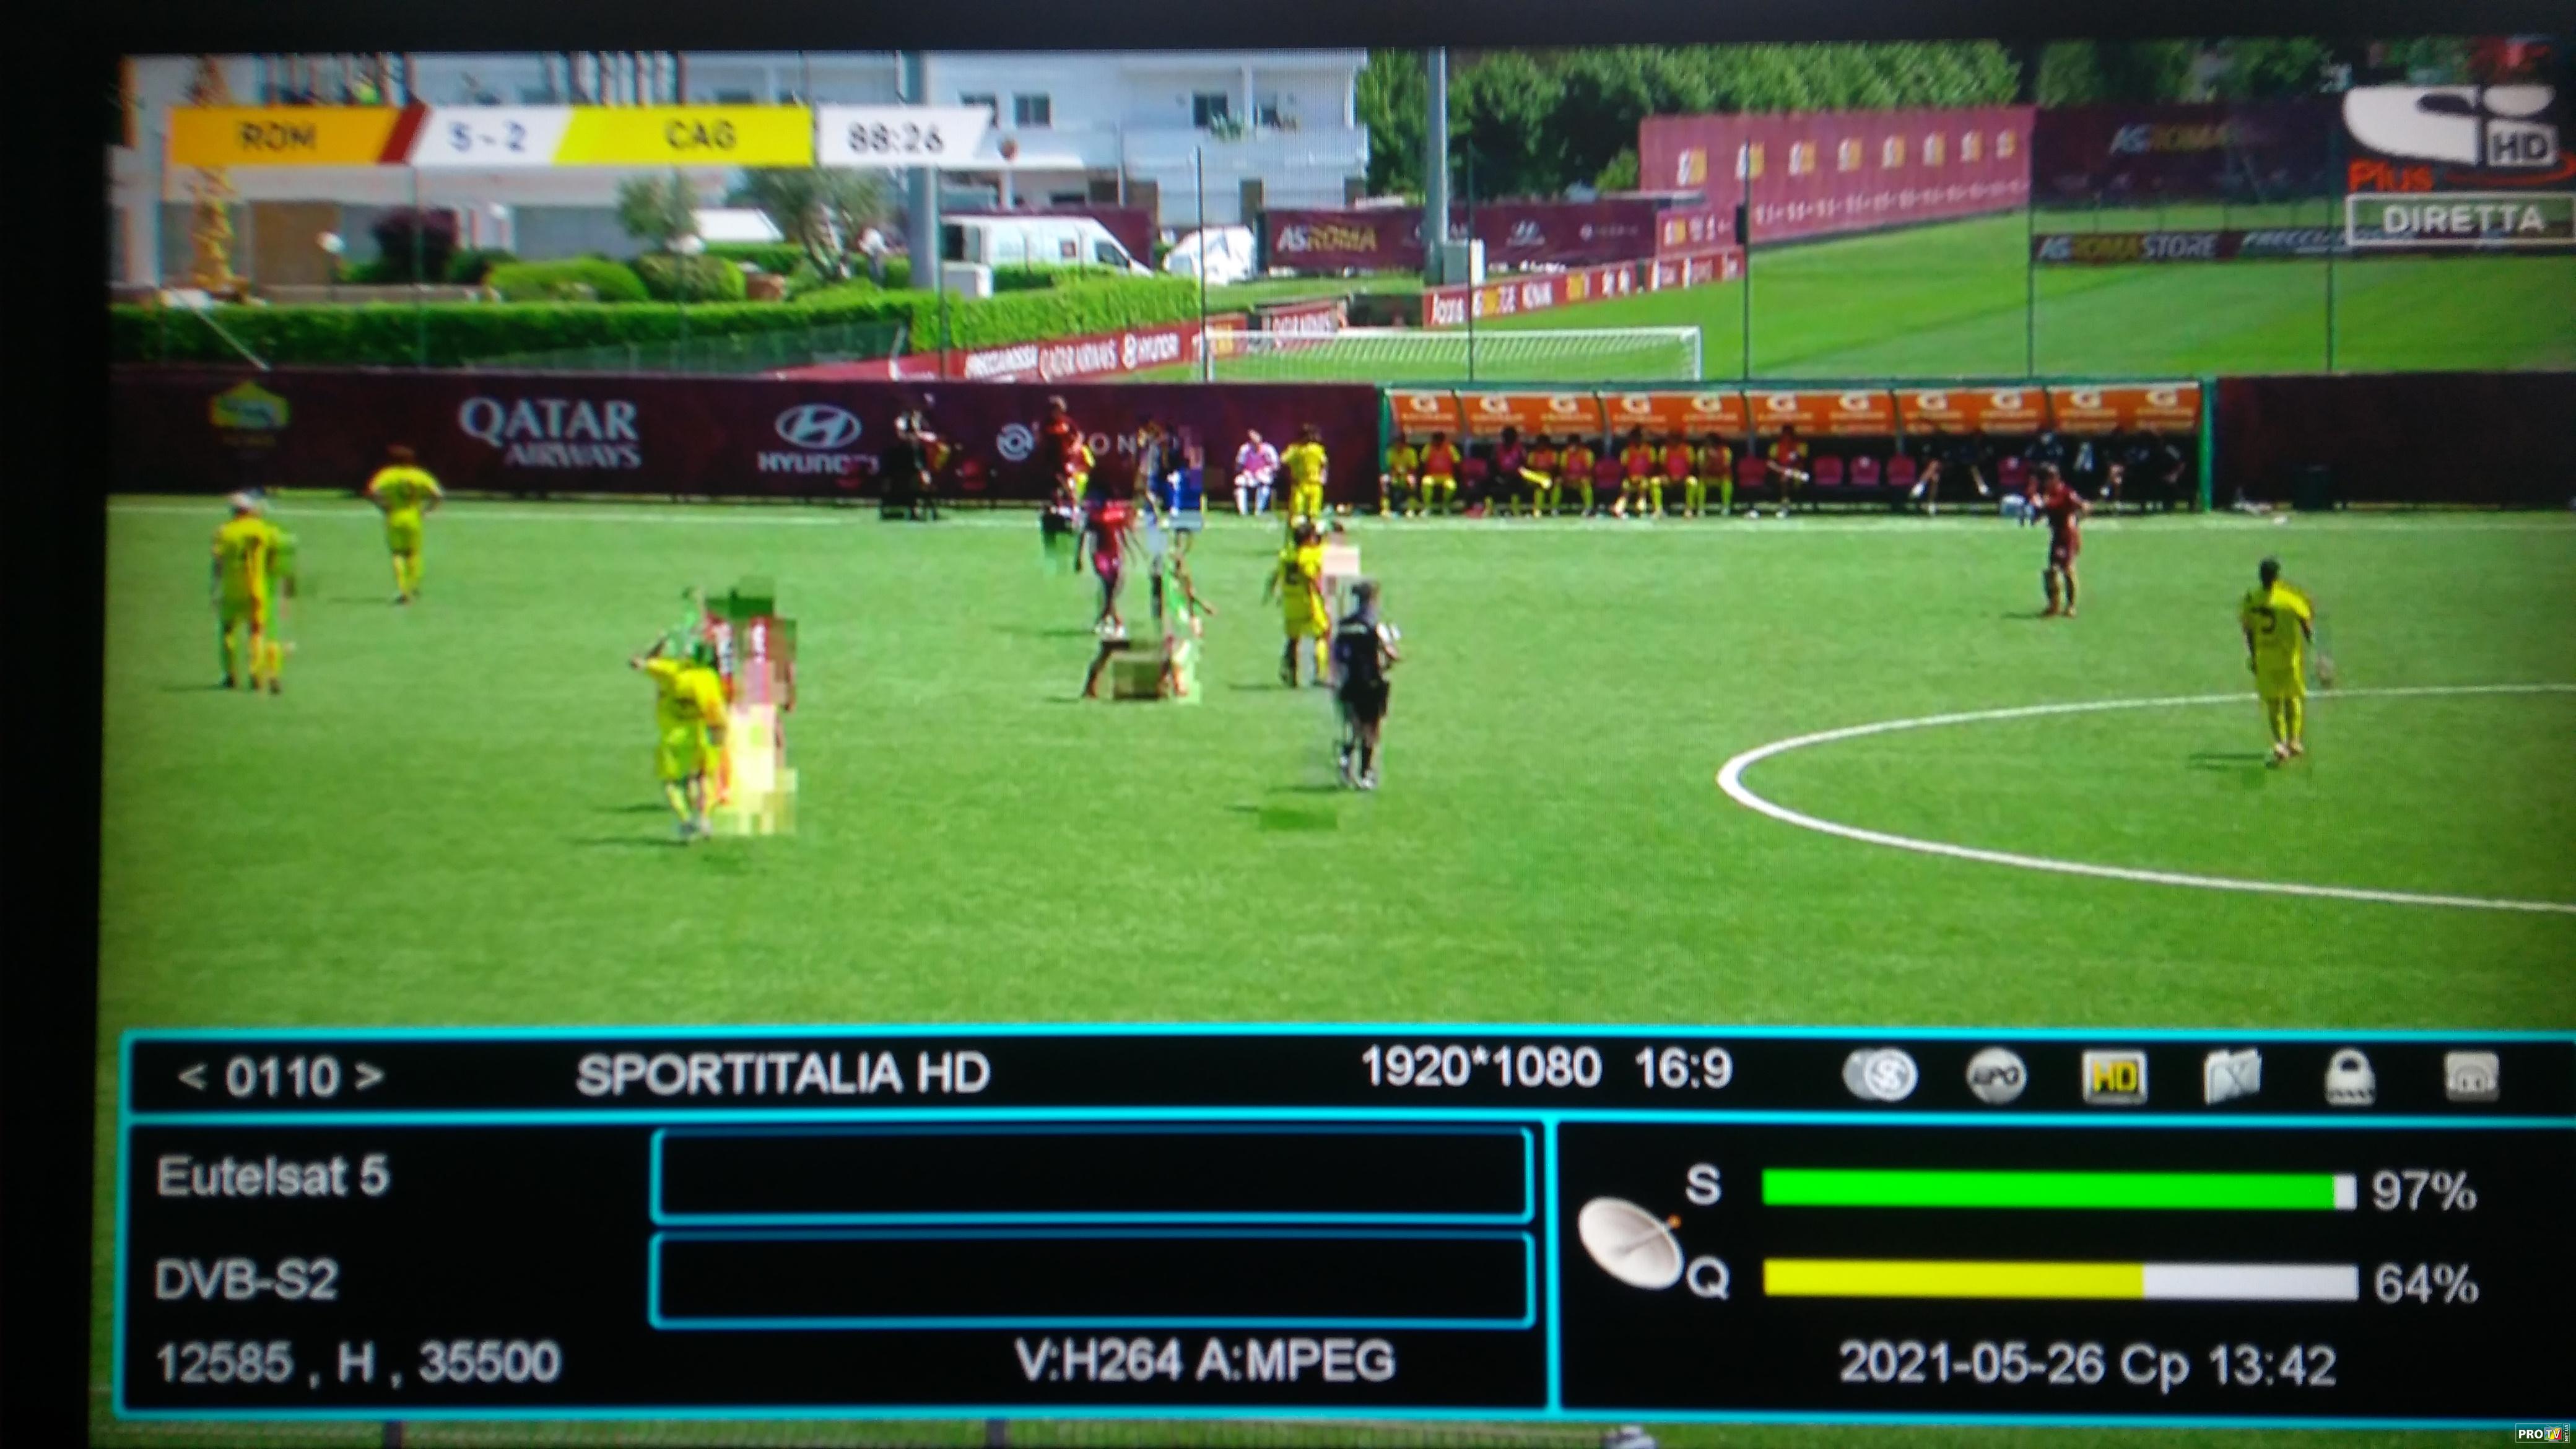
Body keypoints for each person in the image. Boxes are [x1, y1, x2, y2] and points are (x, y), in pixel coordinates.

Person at [630, 638, 728, 842]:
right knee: (703, 778)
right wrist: (720, 736)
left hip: (672, 738)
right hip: (699, 736)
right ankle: (704, 819)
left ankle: (685, 821)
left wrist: (658, 646)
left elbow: (638, 662)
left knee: (672, 783)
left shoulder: (670, 670)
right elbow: (717, 713)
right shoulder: (709, 678)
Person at [2238, 556, 2315, 766]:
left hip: (2266, 659)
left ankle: (2281, 744)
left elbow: (2248, 630)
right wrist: (2311, 641)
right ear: (2277, 576)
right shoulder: (2289, 598)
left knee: (2274, 702)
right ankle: (2295, 741)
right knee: (2293, 698)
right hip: (2289, 658)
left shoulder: (2251, 599)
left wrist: (2253, 655)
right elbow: (2306, 620)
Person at [1331, 578, 1403, 791]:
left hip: (1349, 682)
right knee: (1371, 731)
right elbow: (1391, 655)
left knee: (1354, 728)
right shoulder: (1376, 626)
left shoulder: (1345, 625)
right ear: (1373, 600)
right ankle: (1365, 774)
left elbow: (1337, 656)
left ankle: (1345, 759)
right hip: (1372, 683)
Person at [210, 493, 277, 692]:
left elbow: (218, 562)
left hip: (231, 588)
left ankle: (230, 675)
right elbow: (273, 556)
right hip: (256, 587)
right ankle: (256, 674)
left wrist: (215, 588)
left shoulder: (224, 531)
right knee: (257, 631)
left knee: (228, 630)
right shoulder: (263, 529)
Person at [362, 443, 443, 604]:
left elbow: (371, 492)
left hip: (394, 517)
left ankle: (402, 590)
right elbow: (438, 495)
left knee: (397, 554)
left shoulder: (387, 475)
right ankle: (413, 586)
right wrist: (427, 510)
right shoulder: (420, 475)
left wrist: (383, 506)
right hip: (414, 518)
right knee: (413, 553)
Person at [1264, 516, 1331, 687]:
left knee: (1293, 638)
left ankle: (1290, 672)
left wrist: (1269, 593)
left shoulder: (1286, 554)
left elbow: (1275, 575)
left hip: (1289, 600)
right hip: (1307, 601)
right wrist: (1324, 597)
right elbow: (1312, 578)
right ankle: (1320, 674)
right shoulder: (1308, 555)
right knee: (1322, 634)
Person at [2036, 463, 2088, 618]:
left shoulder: (2066, 493)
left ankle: (2071, 606)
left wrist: (2075, 521)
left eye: (2048, 479)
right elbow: (2046, 510)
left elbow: (2084, 507)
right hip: (2057, 536)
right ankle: (2054, 605)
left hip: (2068, 536)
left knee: (2067, 570)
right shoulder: (2048, 494)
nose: (2045, 483)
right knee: (2052, 571)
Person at [1281, 424, 1329, 524]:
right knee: (1298, 512)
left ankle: (1311, 530)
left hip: (1315, 483)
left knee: (1313, 513)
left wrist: (1323, 476)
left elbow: (1324, 464)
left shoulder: (1317, 449)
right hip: (1300, 484)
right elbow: (1283, 460)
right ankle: (1299, 530)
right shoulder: (1295, 449)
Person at [1765, 425, 1810, 518]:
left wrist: (1792, 468)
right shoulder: (1776, 446)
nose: (1787, 437)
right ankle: (1785, 506)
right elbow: (1770, 463)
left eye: (1789, 434)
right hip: (1779, 473)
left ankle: (1785, 506)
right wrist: (1782, 470)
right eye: (1785, 434)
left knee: (1793, 477)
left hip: (1797, 473)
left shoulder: (1800, 446)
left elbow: (1803, 462)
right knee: (1784, 478)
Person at [1234, 429, 1279, 516]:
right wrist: (1245, 472)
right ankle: (1243, 512)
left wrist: (1267, 470)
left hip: (1263, 474)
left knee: (1265, 485)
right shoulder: (1245, 449)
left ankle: (1258, 510)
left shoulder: (1268, 449)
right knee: (1239, 483)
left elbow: (1276, 465)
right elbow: (1239, 466)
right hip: (1249, 475)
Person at [1614, 428, 1655, 519]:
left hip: (1644, 479)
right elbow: (1624, 467)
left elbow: (1652, 466)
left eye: (1639, 437)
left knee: (1642, 494)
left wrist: (1644, 477)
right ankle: (1618, 511)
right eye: (1635, 437)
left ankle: (1640, 509)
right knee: (1625, 494)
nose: (1637, 439)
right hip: (1629, 478)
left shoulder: (1649, 450)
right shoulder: (1627, 451)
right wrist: (1631, 478)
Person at [1417, 432, 1460, 516]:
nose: (1437, 442)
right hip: (1431, 475)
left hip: (1446, 476)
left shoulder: (1450, 448)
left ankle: (1445, 506)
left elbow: (1457, 461)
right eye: (1436, 440)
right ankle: (1428, 507)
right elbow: (1422, 461)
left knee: (1451, 486)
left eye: (1440, 440)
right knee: (1426, 483)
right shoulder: (1428, 447)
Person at [1490, 427, 1529, 520]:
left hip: (1516, 475)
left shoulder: (1519, 448)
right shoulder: (1498, 448)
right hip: (1500, 475)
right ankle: (1490, 510)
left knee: (1516, 484)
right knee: (1488, 483)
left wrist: (1518, 471)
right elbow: (1492, 464)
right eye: (1506, 437)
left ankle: (1515, 510)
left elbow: (1524, 463)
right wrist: (1498, 476)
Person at [1694, 433, 1735, 518]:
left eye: (1710, 442)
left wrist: (1716, 459)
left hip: (1721, 477)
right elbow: (1701, 468)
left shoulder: (1725, 451)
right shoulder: (1702, 451)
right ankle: (1701, 508)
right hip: (1708, 477)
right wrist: (1709, 459)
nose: (1708, 444)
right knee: (1701, 483)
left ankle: (1726, 507)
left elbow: (1726, 466)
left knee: (1727, 483)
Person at [1381, 433, 1421, 518]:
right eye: (1397, 443)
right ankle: (1385, 509)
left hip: (1406, 475)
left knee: (1412, 481)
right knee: (1384, 481)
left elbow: (1413, 468)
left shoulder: (1411, 452)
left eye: (1401, 443)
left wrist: (1404, 472)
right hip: (1394, 475)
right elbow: (1390, 468)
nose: (1399, 445)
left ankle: (1411, 510)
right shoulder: (1390, 452)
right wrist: (1396, 473)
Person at [1523, 435, 1560, 518]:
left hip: (1550, 477)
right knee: (1540, 486)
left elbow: (1555, 467)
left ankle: (1554, 509)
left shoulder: (1553, 454)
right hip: (1536, 477)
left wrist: (1550, 475)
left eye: (1543, 443)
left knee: (1556, 485)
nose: (1541, 445)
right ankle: (1538, 510)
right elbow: (1530, 468)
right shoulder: (1533, 454)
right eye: (1540, 443)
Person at [1560, 433, 1598, 516]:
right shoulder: (1565, 453)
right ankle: (1554, 508)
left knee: (1586, 483)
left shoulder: (1587, 453)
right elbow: (1563, 470)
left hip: (1582, 478)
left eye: (1574, 444)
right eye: (1570, 444)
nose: (1572, 446)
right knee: (1557, 483)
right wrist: (1567, 478)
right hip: (1569, 479)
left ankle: (1588, 508)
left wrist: (1579, 477)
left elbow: (1590, 470)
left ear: (1579, 444)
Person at [1659, 432, 1695, 519]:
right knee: (1655, 482)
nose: (1674, 441)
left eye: (1676, 438)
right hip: (1669, 478)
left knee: (1692, 482)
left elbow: (1691, 465)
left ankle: (1689, 509)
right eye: (1672, 438)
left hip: (1683, 478)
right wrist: (1667, 476)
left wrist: (1682, 476)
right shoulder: (1664, 449)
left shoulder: (1688, 449)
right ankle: (1658, 510)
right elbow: (1662, 465)